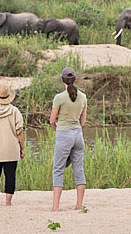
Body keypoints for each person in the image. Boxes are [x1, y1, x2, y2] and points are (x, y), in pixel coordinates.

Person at [50, 67, 87, 212]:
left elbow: (52, 120)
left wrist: (57, 126)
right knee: (79, 169)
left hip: (64, 134)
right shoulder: (83, 97)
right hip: (78, 134)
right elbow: (83, 121)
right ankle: (79, 205)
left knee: (58, 169)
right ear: (75, 79)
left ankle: (56, 206)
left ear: (62, 80)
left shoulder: (59, 97)